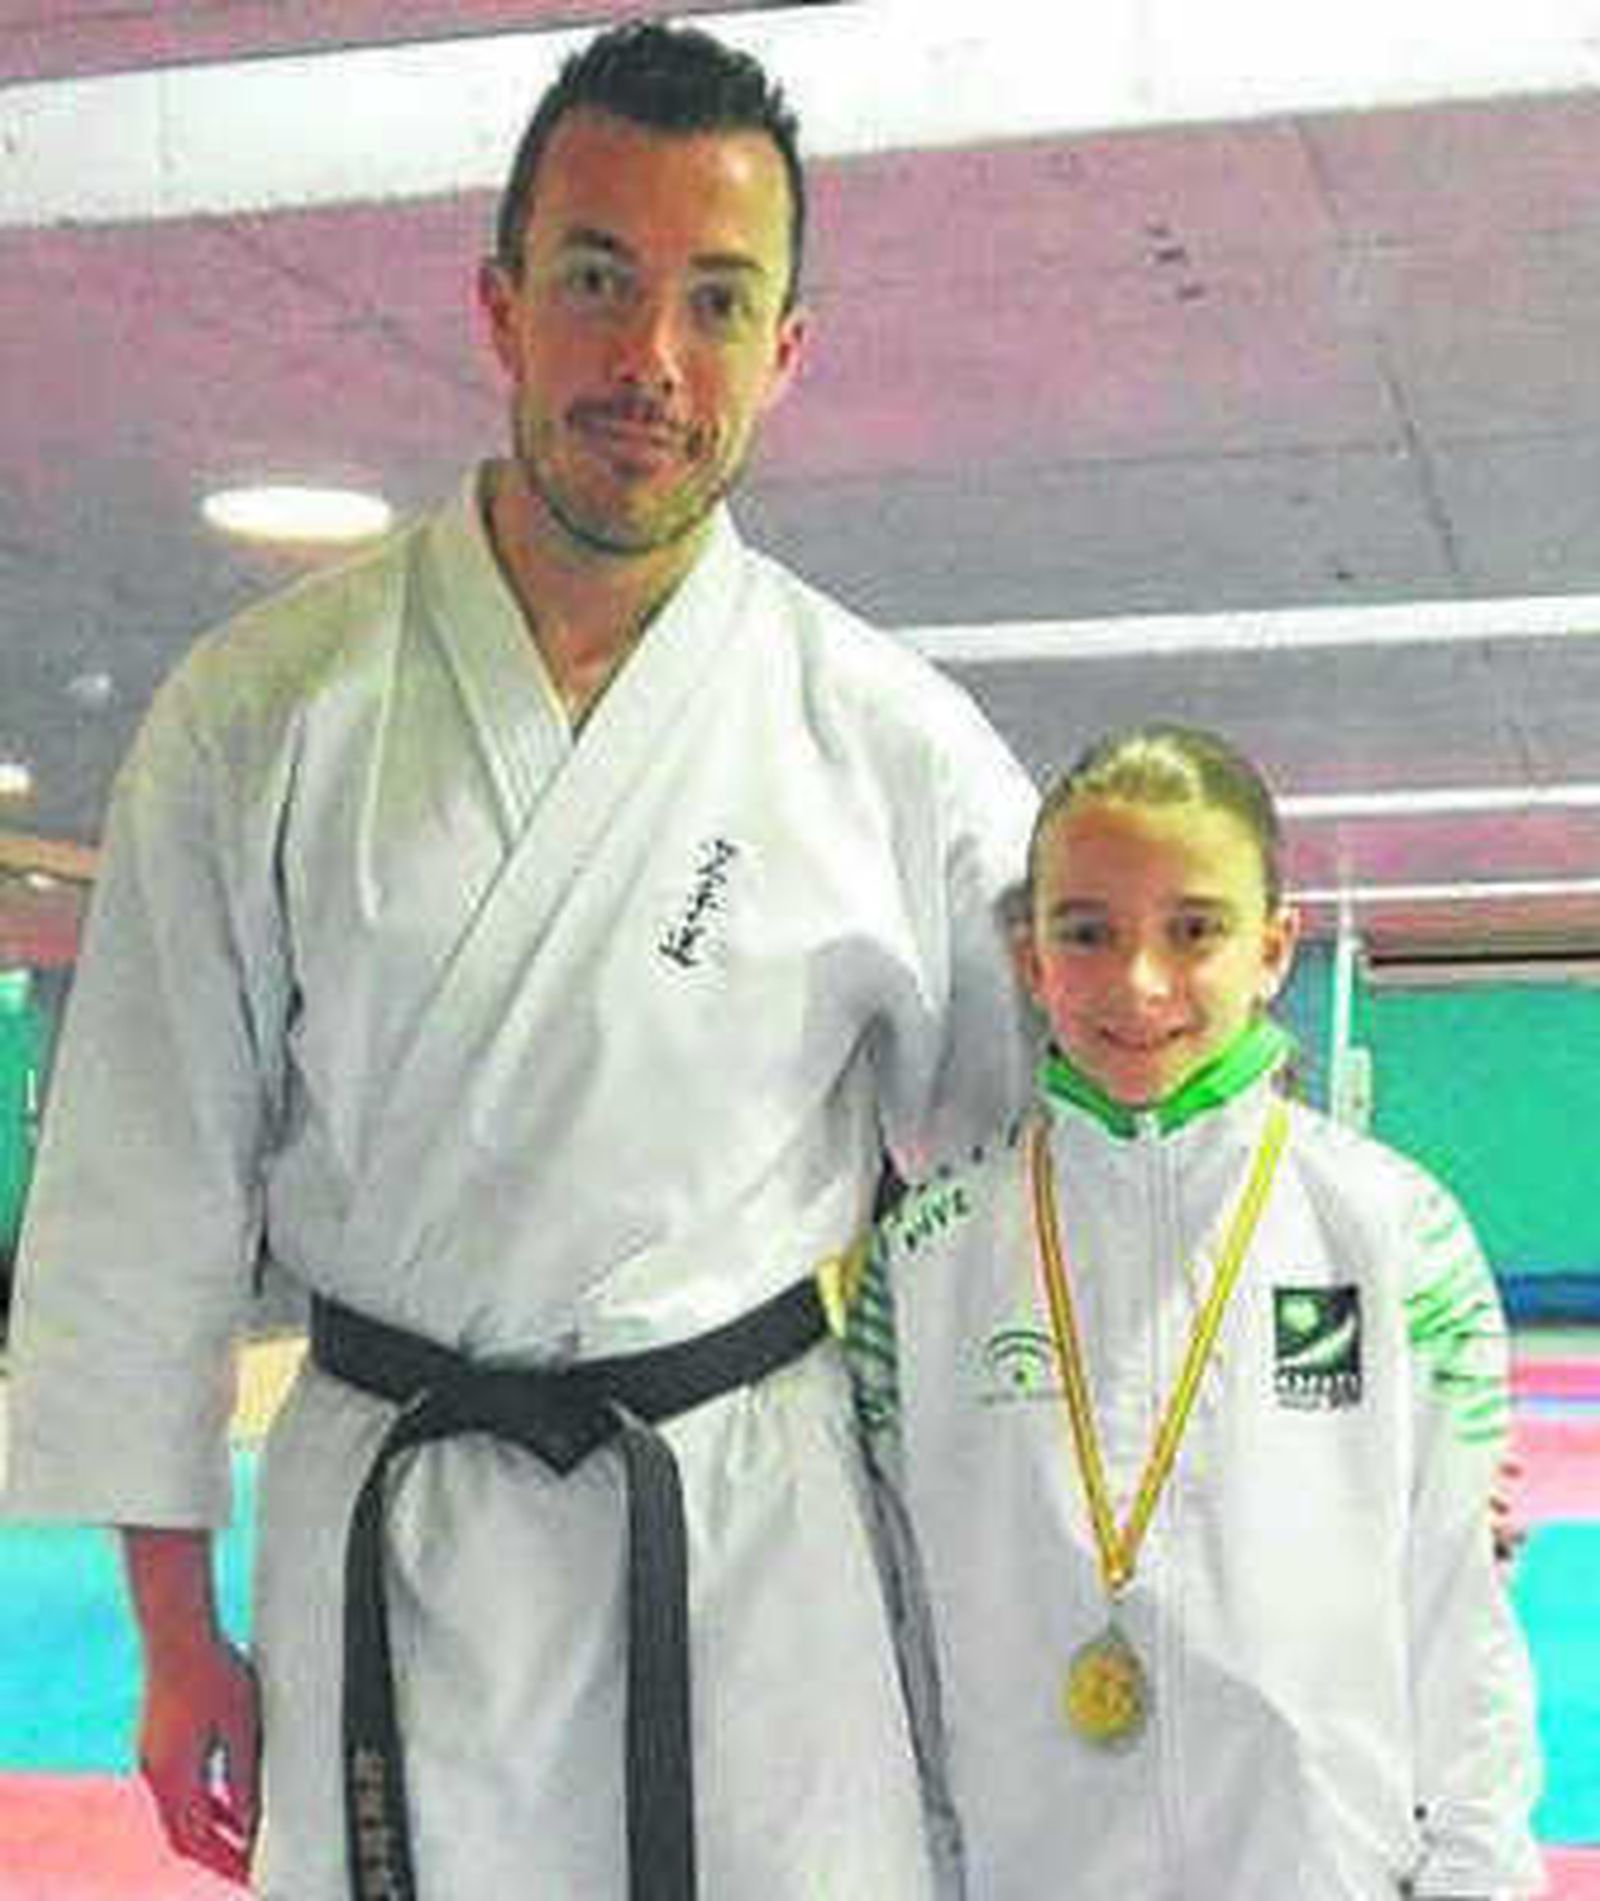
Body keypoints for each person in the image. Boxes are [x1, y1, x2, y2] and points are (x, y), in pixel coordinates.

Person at [1, 22, 1037, 1900]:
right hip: (387, 1545)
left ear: (787, 350)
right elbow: (144, 1182)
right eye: (597, 279)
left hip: (747, 1541)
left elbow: (1050, 1175)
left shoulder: (891, 742)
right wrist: (169, 1632)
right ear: (499, 305)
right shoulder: (263, 713)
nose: (653, 359)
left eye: (718, 301)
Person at [850, 724, 1543, 1898]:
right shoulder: (923, 1262)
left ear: (1272, 949)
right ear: (1029, 959)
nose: (1139, 981)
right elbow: (890, 1637)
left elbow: (1460, 1623)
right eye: (1087, 931)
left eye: (1194, 928)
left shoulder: (1394, 1234)